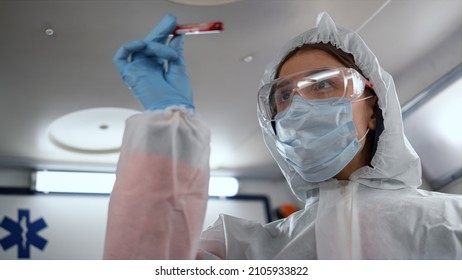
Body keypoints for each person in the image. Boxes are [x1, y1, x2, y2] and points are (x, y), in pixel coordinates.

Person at [103, 12, 462, 259]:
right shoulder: (242, 250)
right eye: (285, 96)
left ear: (373, 107)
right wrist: (168, 123)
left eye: (322, 85)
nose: (299, 106)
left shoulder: (452, 222)